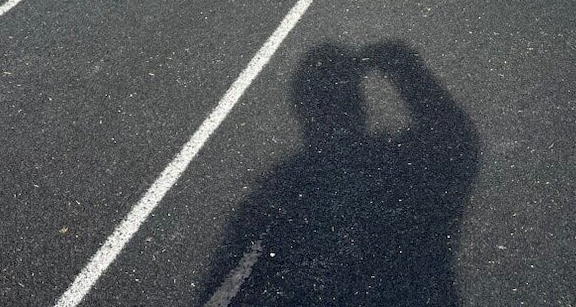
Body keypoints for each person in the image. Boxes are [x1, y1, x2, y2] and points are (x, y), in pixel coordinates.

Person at [200, 41, 479, 306]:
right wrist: (398, 62)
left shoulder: (285, 184)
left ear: (304, 112)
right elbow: (456, 137)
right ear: (359, 105)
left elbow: (230, 256)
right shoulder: (399, 163)